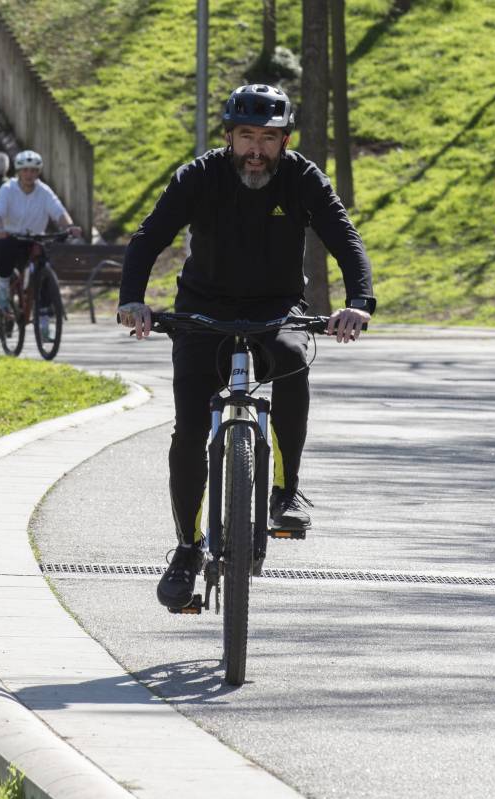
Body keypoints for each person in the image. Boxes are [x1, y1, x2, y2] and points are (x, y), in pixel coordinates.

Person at [116, 84, 375, 609]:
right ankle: (187, 550)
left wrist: (360, 301)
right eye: (246, 137)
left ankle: (286, 490)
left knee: (291, 360)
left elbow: (344, 236)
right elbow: (149, 237)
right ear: (229, 137)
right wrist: (132, 300)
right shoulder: (199, 175)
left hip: (276, 308)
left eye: (269, 138)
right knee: (190, 430)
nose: (256, 149)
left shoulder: (302, 178)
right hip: (201, 311)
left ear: (284, 140)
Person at [0, 149, 81, 341]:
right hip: (12, 236)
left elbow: (59, 211)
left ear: (38, 172)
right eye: (25, 171)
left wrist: (70, 226)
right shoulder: (8, 189)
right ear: (18, 172)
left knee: (44, 274)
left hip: (35, 239)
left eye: (33, 171)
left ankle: (43, 323)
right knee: (5, 251)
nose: (29, 175)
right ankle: (3, 288)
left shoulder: (43, 191)